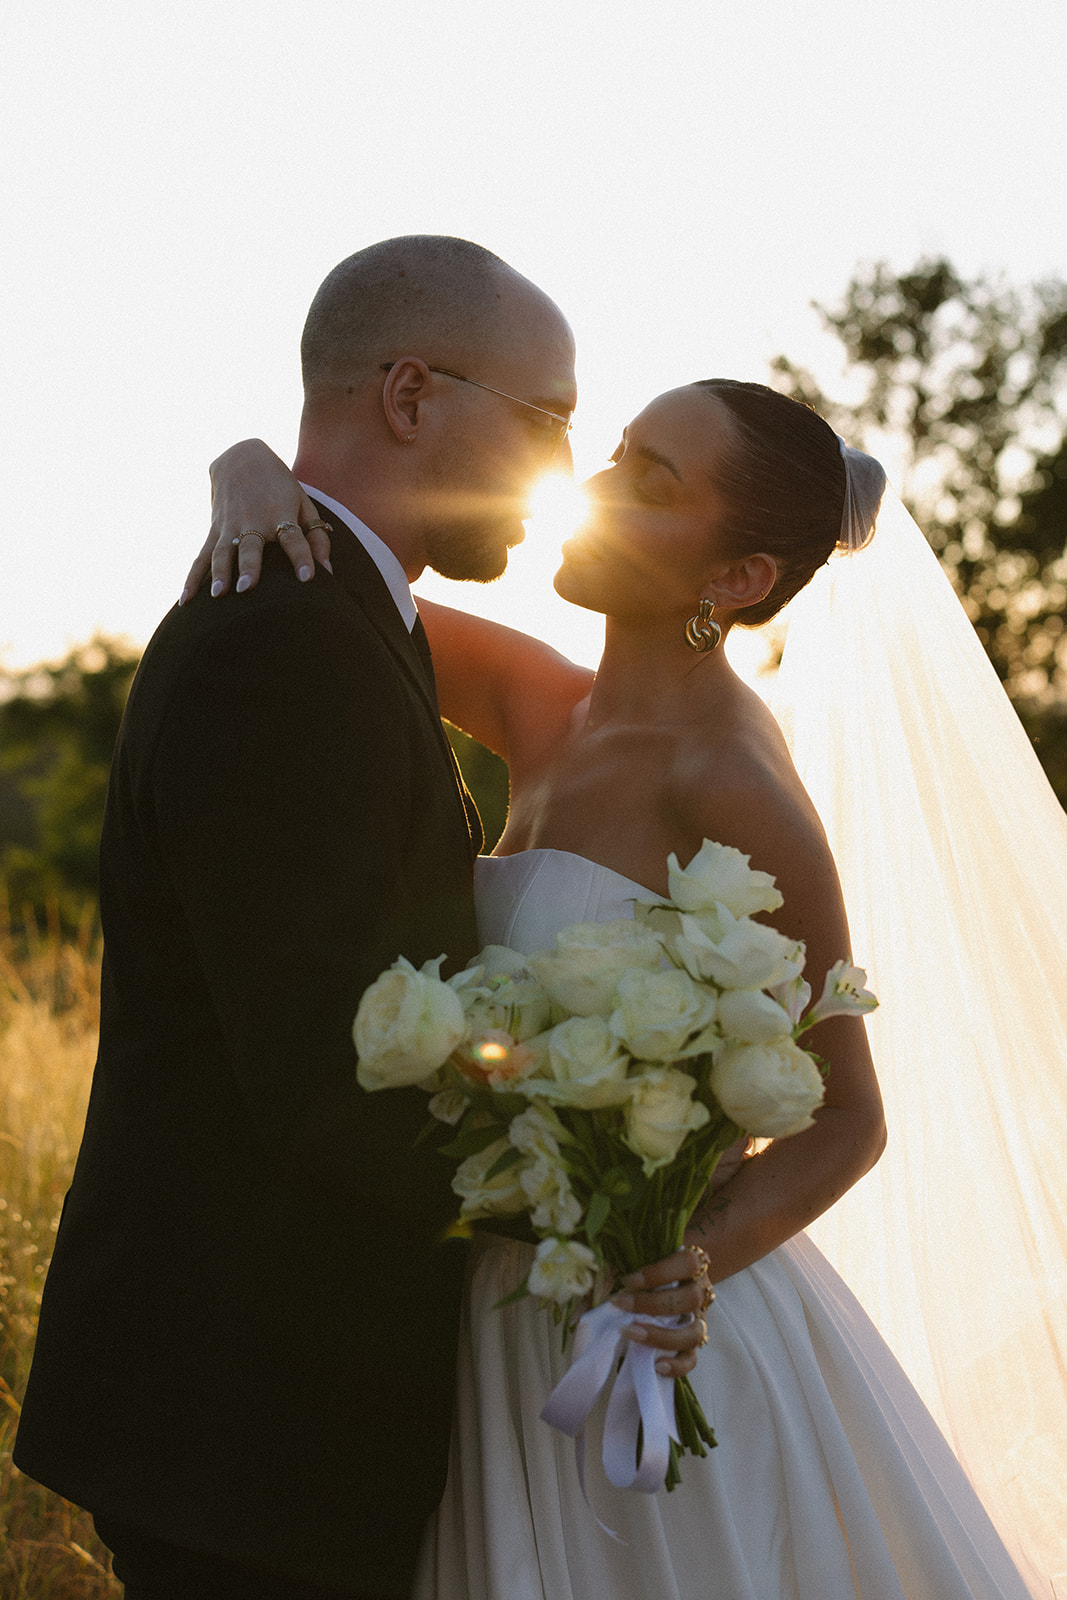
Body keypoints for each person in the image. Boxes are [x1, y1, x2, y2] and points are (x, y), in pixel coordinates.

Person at [187, 377, 1062, 1597]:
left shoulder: (735, 785)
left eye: (650, 481)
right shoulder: (546, 704)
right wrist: (247, 471)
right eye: (612, 455)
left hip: (654, 1346)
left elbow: (846, 1115)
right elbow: (340, 598)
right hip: (490, 1311)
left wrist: (687, 1260)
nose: (591, 488)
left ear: (735, 579)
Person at [13, 236, 709, 1600]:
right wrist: (612, 1216)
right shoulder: (289, 637)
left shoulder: (343, 607)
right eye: (551, 420)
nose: (564, 472)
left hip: (279, 1406)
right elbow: (333, 1087)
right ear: (408, 396)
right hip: (252, 1423)